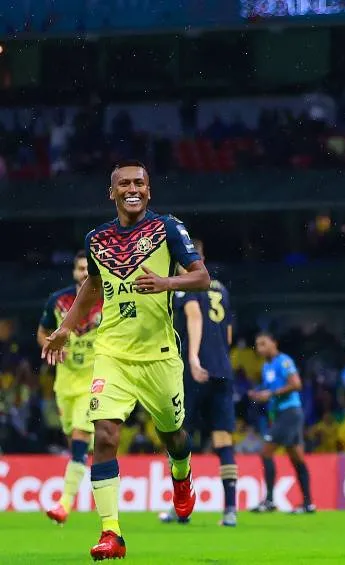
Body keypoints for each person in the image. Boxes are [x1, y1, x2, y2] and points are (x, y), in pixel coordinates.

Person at [41, 160, 210, 560]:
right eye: (124, 184)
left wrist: (166, 282)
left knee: (173, 435)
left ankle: (181, 474)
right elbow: (93, 286)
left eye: (139, 183)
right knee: (104, 435)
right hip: (112, 352)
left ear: (149, 190)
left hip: (159, 355)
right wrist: (66, 327)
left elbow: (201, 277)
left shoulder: (168, 228)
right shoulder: (96, 239)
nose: (132, 189)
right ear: (112, 192)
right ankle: (111, 532)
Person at [161, 239, 239, 527]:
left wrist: (193, 358)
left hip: (193, 371)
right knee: (223, 439)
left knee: (180, 437)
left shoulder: (186, 287)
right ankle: (230, 510)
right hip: (222, 369)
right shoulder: (221, 288)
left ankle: (181, 508)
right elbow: (228, 334)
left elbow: (193, 316)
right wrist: (218, 358)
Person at [38, 250, 104, 525]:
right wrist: (51, 346)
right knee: (74, 440)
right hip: (64, 384)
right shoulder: (58, 301)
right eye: (79, 268)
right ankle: (89, 456)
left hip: (93, 382)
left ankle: (64, 504)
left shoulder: (106, 300)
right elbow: (42, 332)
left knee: (79, 439)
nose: (84, 273)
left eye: (88, 268)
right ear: (74, 272)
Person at [248, 332, 314, 514]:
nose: (260, 348)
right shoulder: (266, 366)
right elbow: (272, 388)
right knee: (297, 458)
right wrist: (259, 393)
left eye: (263, 343)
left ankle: (269, 501)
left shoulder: (284, 361)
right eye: (257, 345)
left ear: (274, 343)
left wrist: (269, 394)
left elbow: (296, 384)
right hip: (281, 414)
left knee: (266, 452)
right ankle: (308, 504)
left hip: (290, 412)